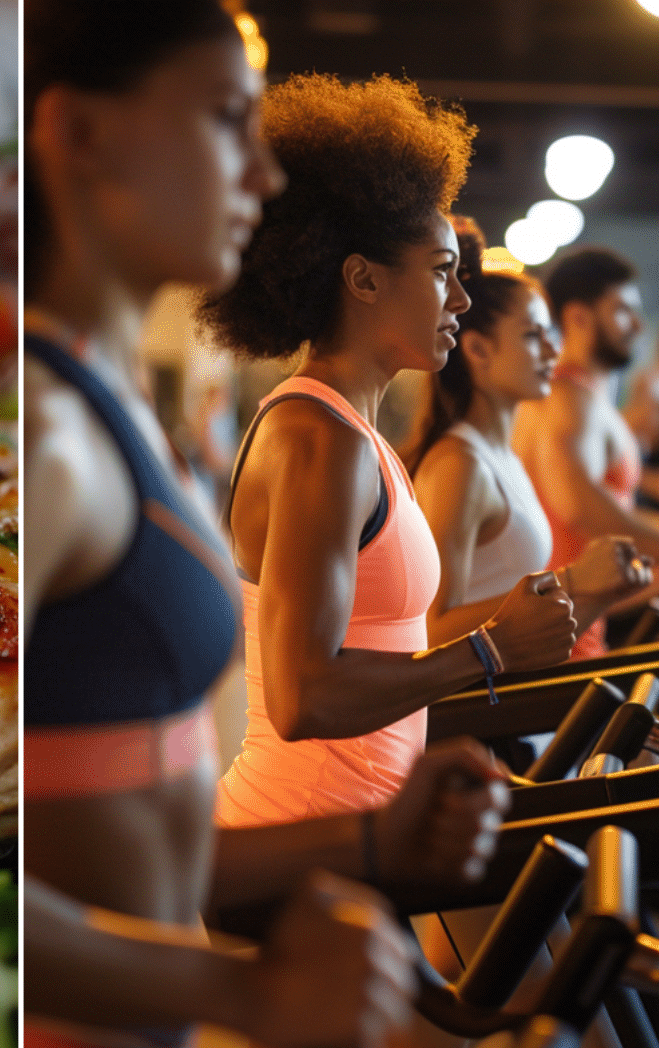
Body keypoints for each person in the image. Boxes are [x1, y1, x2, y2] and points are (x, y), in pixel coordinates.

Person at [24, 6, 508, 1048]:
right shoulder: (48, 432)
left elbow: (124, 825)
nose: (260, 171)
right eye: (222, 121)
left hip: (188, 970)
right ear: (86, 135)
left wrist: (371, 846)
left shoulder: (103, 407)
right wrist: (234, 985)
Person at [200, 74, 577, 830]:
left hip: (368, 822)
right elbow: (307, 696)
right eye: (443, 274)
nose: (461, 302)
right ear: (363, 279)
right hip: (303, 830)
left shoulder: (356, 434)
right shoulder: (317, 439)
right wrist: (491, 650)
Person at [407, 222, 649, 652]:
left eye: (548, 335)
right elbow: (430, 630)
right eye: (532, 336)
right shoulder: (459, 465)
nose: (553, 352)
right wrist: (574, 583)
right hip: (506, 709)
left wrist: (595, 592)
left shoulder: (501, 453)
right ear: (479, 350)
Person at [514, 246, 657, 657]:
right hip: (567, 642)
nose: (637, 326)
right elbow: (577, 506)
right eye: (622, 311)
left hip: (583, 625)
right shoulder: (570, 399)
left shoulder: (581, 397)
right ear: (579, 317)